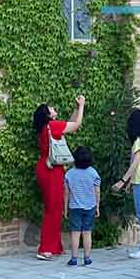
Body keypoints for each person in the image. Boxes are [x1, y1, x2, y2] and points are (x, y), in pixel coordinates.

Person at [33, 95, 85, 259]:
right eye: (51, 108)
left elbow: (69, 124)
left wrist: (76, 108)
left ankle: (54, 246)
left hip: (46, 167)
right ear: (48, 115)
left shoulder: (48, 128)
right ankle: (45, 248)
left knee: (55, 207)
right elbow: (76, 125)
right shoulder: (52, 126)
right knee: (53, 209)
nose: (54, 109)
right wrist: (82, 106)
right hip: (51, 170)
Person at [113, 107, 140, 259]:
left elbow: (135, 163)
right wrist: (129, 184)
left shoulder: (138, 142)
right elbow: (138, 165)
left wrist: (123, 181)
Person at [65, 144, 101, 266]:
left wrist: (65, 208)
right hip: (90, 206)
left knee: (75, 232)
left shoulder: (69, 174)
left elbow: (66, 193)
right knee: (87, 232)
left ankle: (74, 258)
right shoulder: (94, 173)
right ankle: (87, 258)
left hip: (74, 207)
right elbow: (97, 191)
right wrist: (97, 206)